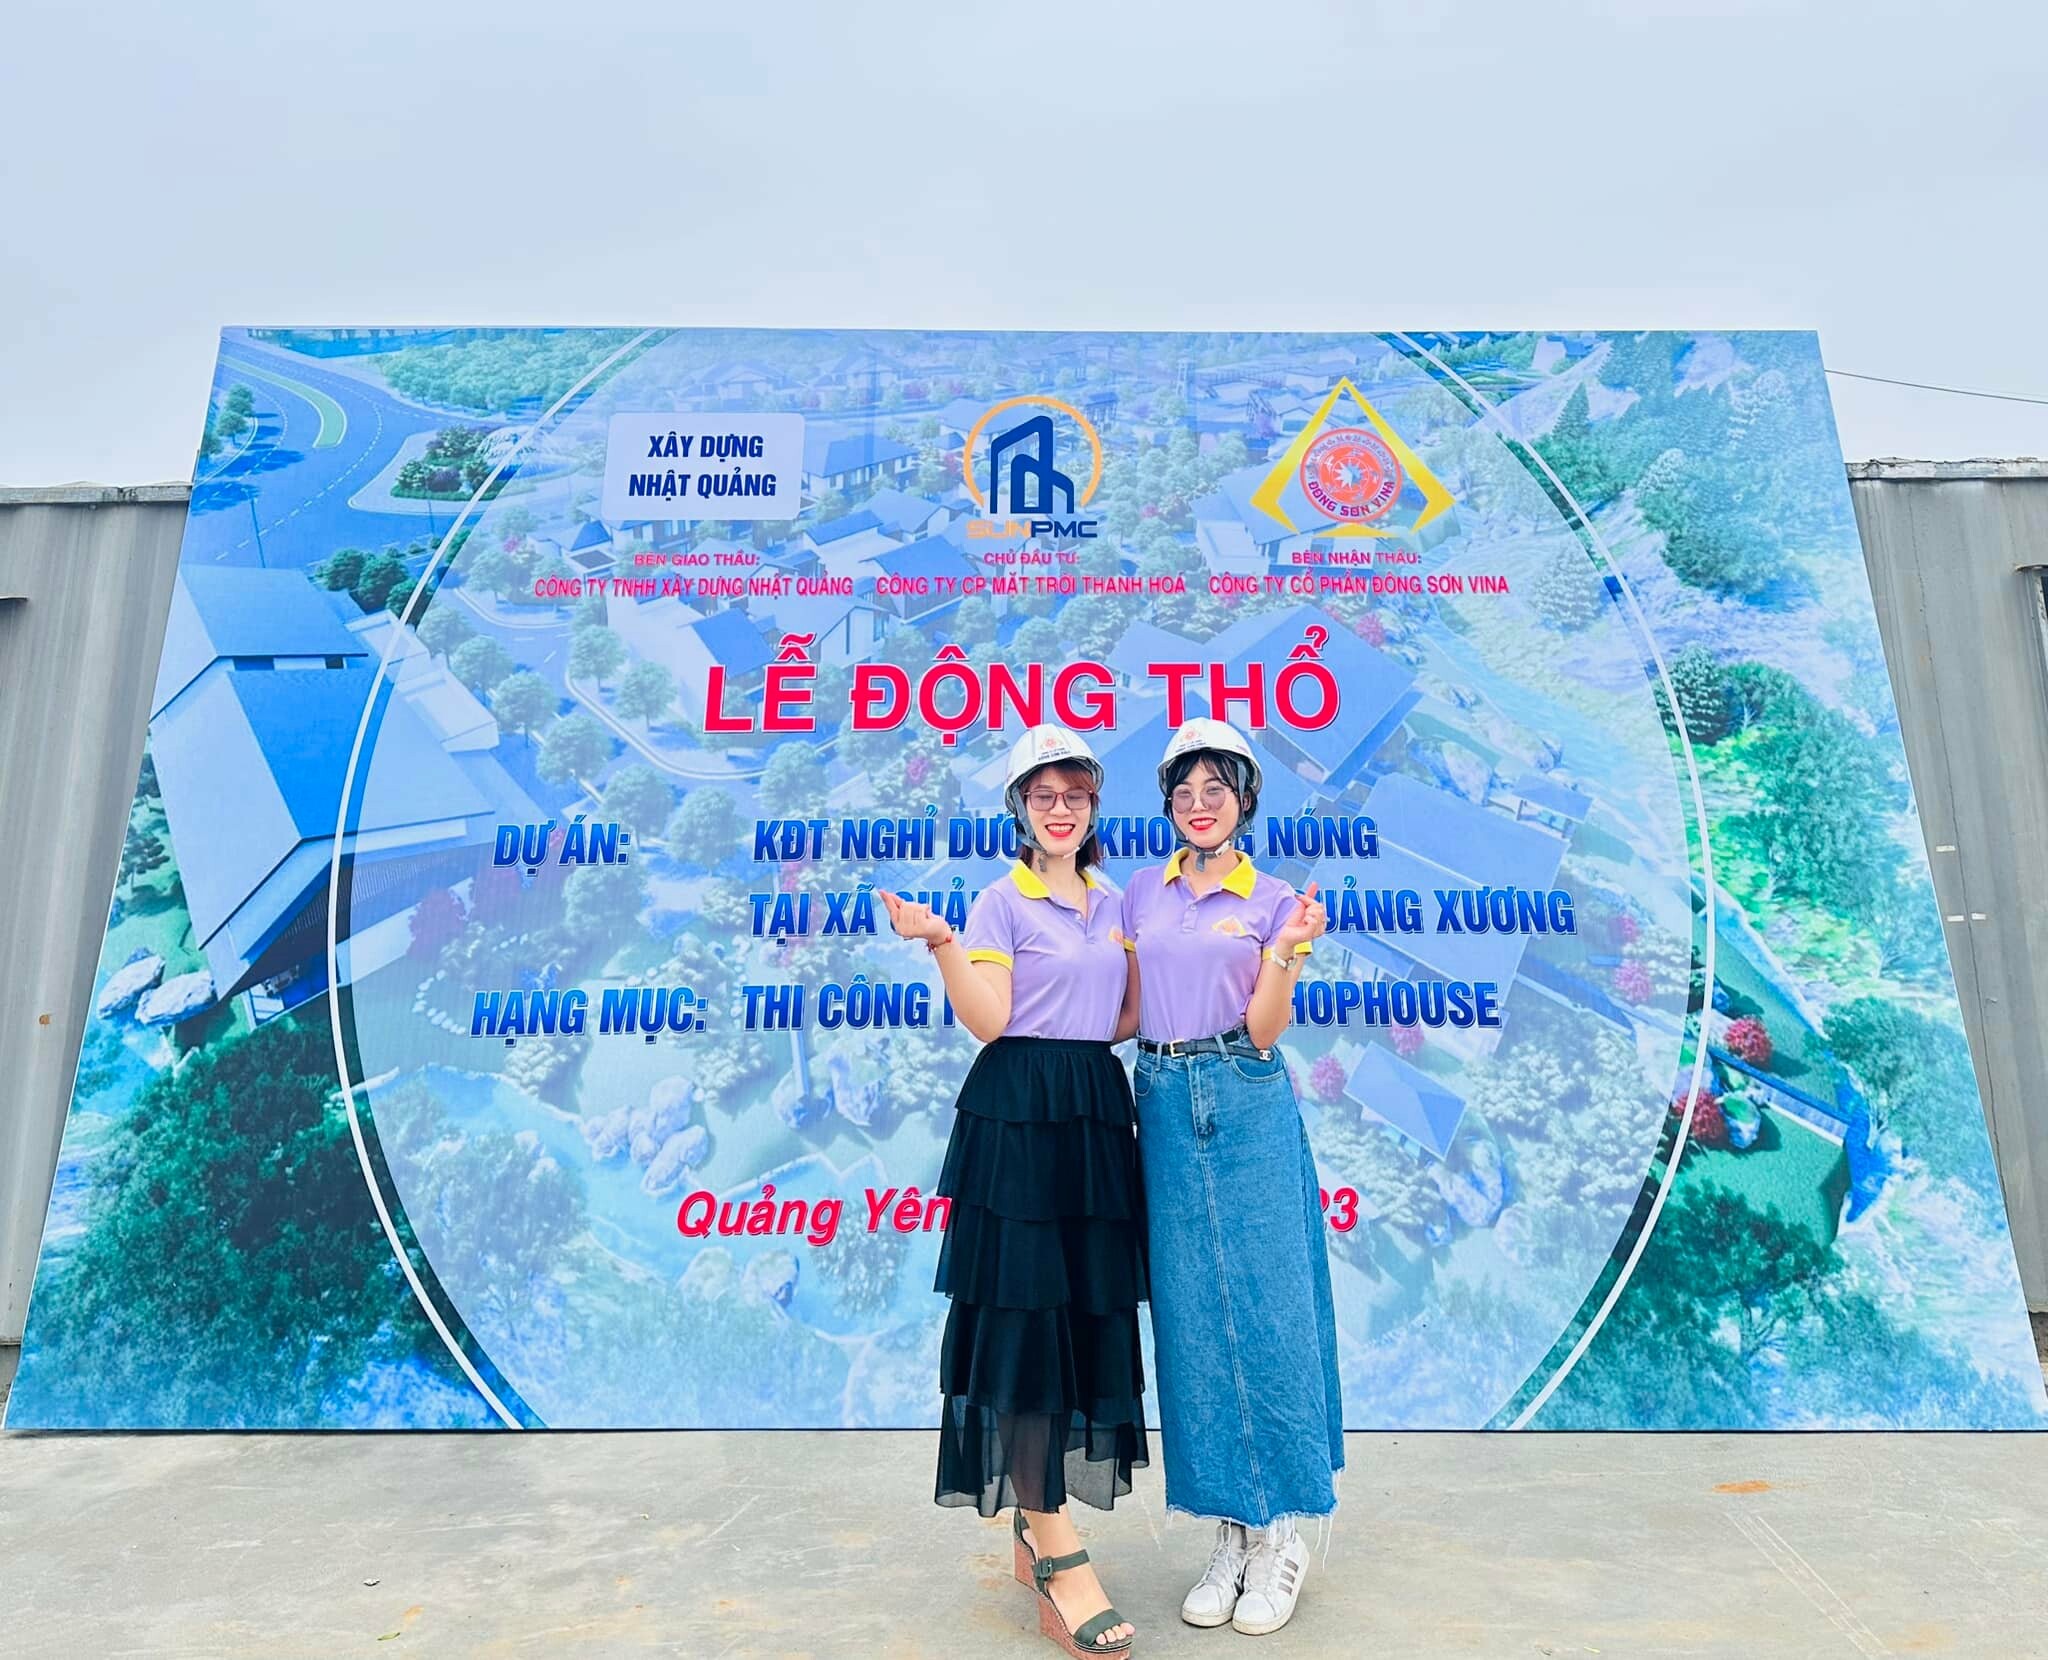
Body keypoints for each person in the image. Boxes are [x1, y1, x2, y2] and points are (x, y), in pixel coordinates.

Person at [882, 723, 1146, 1657]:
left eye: (1075, 794)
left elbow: (1126, 1014)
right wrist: (944, 941)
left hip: (1092, 1109)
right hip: (1019, 1116)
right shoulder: (1000, 902)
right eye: (1044, 796)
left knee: (1081, 1321)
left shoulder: (1117, 902)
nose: (1060, 809)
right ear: (1021, 810)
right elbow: (990, 1019)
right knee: (1026, 1327)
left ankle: (1038, 1531)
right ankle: (1056, 1544)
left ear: (1093, 806)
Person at [1115, 716, 1340, 1638]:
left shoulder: (1277, 899)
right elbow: (1126, 1009)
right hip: (1162, 1098)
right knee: (1192, 1316)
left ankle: (1283, 1531)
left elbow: (1264, 1029)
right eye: (1184, 791)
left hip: (1243, 1090)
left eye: (1216, 789)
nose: (1199, 805)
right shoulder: (1142, 891)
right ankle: (1230, 1531)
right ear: (1168, 805)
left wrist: (1286, 949)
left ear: (1244, 799)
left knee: (1270, 1304)